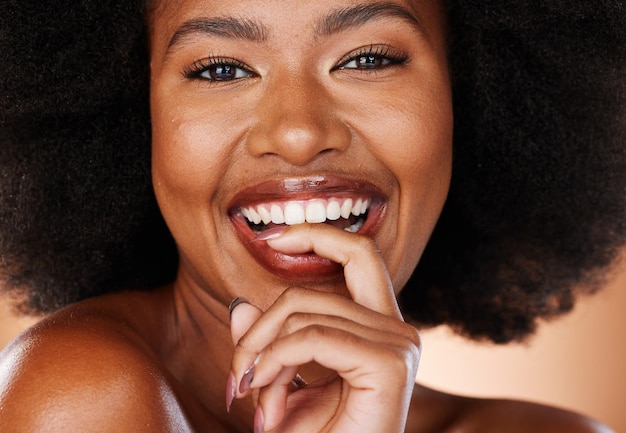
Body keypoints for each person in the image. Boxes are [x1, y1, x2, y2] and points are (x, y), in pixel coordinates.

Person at [0, 0, 624, 431]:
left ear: (476, 96)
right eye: (221, 68)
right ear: (137, 115)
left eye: (368, 59)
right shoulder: (83, 395)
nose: (299, 133)